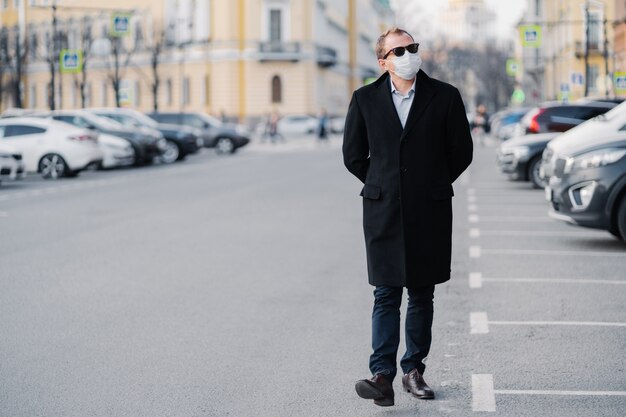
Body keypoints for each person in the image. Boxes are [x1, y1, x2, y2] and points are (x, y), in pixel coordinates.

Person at [342, 27, 473, 407]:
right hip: (383, 210)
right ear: (383, 61)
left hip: (428, 209)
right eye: (399, 50)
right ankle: (381, 376)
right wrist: (383, 184)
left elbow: (461, 151)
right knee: (385, 293)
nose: (408, 54)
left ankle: (413, 371)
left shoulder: (445, 96)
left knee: (421, 292)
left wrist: (429, 183)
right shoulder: (365, 99)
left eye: (412, 47)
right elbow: (353, 155)